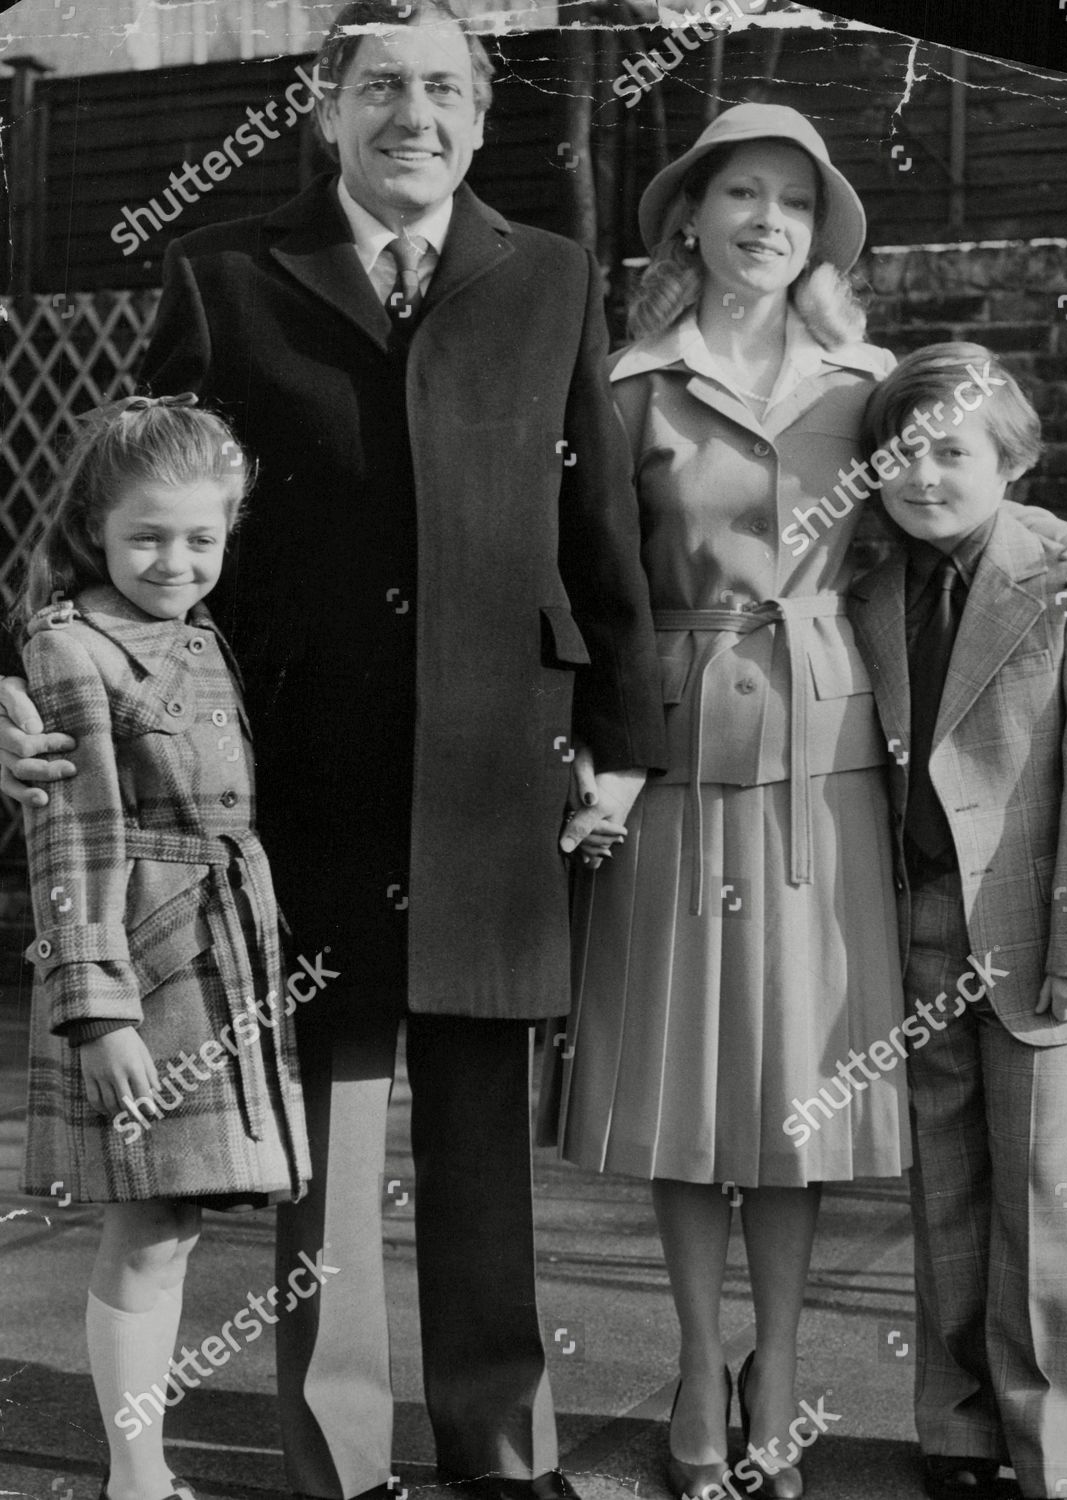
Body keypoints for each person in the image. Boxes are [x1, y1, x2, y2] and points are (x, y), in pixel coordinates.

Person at [0, 3, 664, 1498]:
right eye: (380, 89)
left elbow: (602, 525)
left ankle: (501, 1448)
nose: (410, 114)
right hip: (301, 777)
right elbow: (123, 516)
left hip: (504, 774)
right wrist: (25, 679)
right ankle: (344, 1459)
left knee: (489, 1141)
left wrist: (622, 740)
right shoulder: (228, 276)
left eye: (441, 88)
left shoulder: (553, 278)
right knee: (332, 1134)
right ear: (329, 109)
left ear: (479, 118)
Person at [553, 104, 1067, 1500]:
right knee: (687, 1095)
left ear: (820, 237)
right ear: (686, 216)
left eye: (795, 205)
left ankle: (787, 1374)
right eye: (738, 194)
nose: (765, 222)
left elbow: (975, 501)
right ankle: (700, 1372)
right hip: (675, 769)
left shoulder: (866, 386)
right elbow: (575, 584)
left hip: (837, 779)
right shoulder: (628, 386)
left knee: (802, 1093)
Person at [848, 343, 1067, 1500]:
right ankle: (960, 1428)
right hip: (916, 922)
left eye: (951, 453)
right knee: (948, 1186)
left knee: (1043, 1188)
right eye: (901, 454)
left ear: (1009, 460)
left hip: (1036, 932)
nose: (923, 477)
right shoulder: (864, 581)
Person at [14, 394, 311, 1500]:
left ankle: (140, 1468)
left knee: (175, 1223)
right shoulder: (69, 647)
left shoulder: (198, 633)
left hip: (223, 949)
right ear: (93, 525)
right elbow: (71, 834)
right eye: (146, 536)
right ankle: (134, 1476)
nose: (175, 560)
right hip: (141, 962)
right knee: (146, 1221)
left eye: (202, 538)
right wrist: (97, 1010)